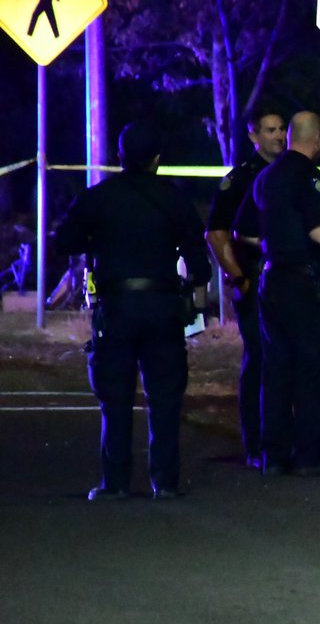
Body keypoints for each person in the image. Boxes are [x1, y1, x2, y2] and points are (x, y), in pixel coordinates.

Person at [54, 121, 211, 501]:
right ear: (158, 159)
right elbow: (200, 264)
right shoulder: (173, 199)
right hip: (162, 308)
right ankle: (166, 481)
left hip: (117, 307)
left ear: (119, 157)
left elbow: (64, 241)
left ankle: (116, 482)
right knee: (166, 397)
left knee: (115, 396)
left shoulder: (99, 198)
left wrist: (100, 238)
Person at [236, 111, 320, 477]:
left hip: (273, 281)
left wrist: (279, 244)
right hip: (311, 286)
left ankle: (273, 453)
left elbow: (244, 231)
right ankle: (310, 454)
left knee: (276, 370)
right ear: (317, 138)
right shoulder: (309, 178)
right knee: (314, 369)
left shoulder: (264, 178)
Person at [205, 110, 286, 470]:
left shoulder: (291, 174)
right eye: (270, 130)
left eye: (283, 129)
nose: (279, 136)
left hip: (287, 281)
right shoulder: (240, 179)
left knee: (285, 360)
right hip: (253, 279)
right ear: (254, 136)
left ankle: (283, 439)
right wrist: (238, 277)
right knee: (259, 357)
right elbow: (216, 232)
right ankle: (255, 443)